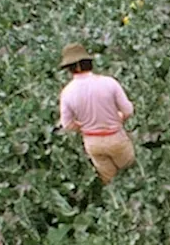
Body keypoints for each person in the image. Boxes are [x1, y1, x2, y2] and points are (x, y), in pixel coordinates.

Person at [57, 43, 137, 184]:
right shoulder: (109, 83)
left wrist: (83, 127)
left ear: (69, 69)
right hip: (115, 137)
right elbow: (128, 110)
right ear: (89, 62)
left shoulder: (67, 93)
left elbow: (67, 124)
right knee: (131, 173)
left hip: (92, 143)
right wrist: (120, 118)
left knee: (111, 181)